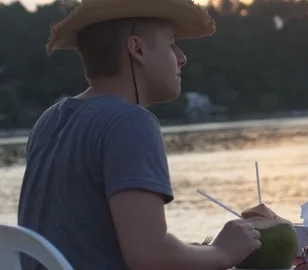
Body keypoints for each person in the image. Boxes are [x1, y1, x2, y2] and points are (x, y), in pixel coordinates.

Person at [16, 0, 261, 269]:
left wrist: (205, 250)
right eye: (171, 44)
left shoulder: (50, 121)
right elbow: (149, 256)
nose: (182, 58)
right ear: (137, 49)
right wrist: (224, 253)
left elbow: (88, 247)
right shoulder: (130, 122)